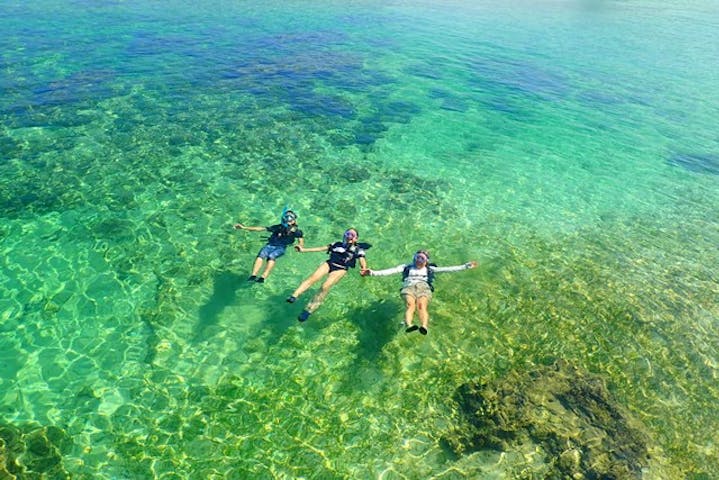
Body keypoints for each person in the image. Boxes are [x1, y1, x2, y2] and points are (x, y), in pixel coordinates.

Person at [361, 250, 476, 335]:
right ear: (414, 258)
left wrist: (466, 266)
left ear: (426, 261)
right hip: (408, 287)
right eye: (417, 257)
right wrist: (372, 272)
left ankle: (424, 326)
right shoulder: (406, 267)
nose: (418, 260)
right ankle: (409, 325)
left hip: (424, 288)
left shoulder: (430, 269)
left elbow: (449, 269)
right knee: (410, 305)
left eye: (422, 259)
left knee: (421, 306)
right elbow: (389, 271)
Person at [286, 228, 369, 322]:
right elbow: (321, 248)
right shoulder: (337, 244)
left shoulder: (358, 250)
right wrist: (303, 250)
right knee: (313, 278)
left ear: (356, 239)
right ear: (344, 235)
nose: (349, 236)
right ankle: (294, 295)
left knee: (325, 286)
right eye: (347, 234)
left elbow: (362, 260)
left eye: (352, 235)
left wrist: (364, 269)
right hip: (329, 263)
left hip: (341, 268)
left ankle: (309, 310)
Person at [233, 208, 304, 283]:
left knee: (271, 256)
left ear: (294, 220)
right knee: (262, 254)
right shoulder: (278, 227)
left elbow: (301, 241)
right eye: (287, 217)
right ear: (283, 219)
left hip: (281, 247)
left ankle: (263, 276)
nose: (289, 219)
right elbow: (261, 229)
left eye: (291, 218)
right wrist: (244, 227)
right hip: (270, 245)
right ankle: (253, 275)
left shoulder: (297, 231)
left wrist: (300, 246)